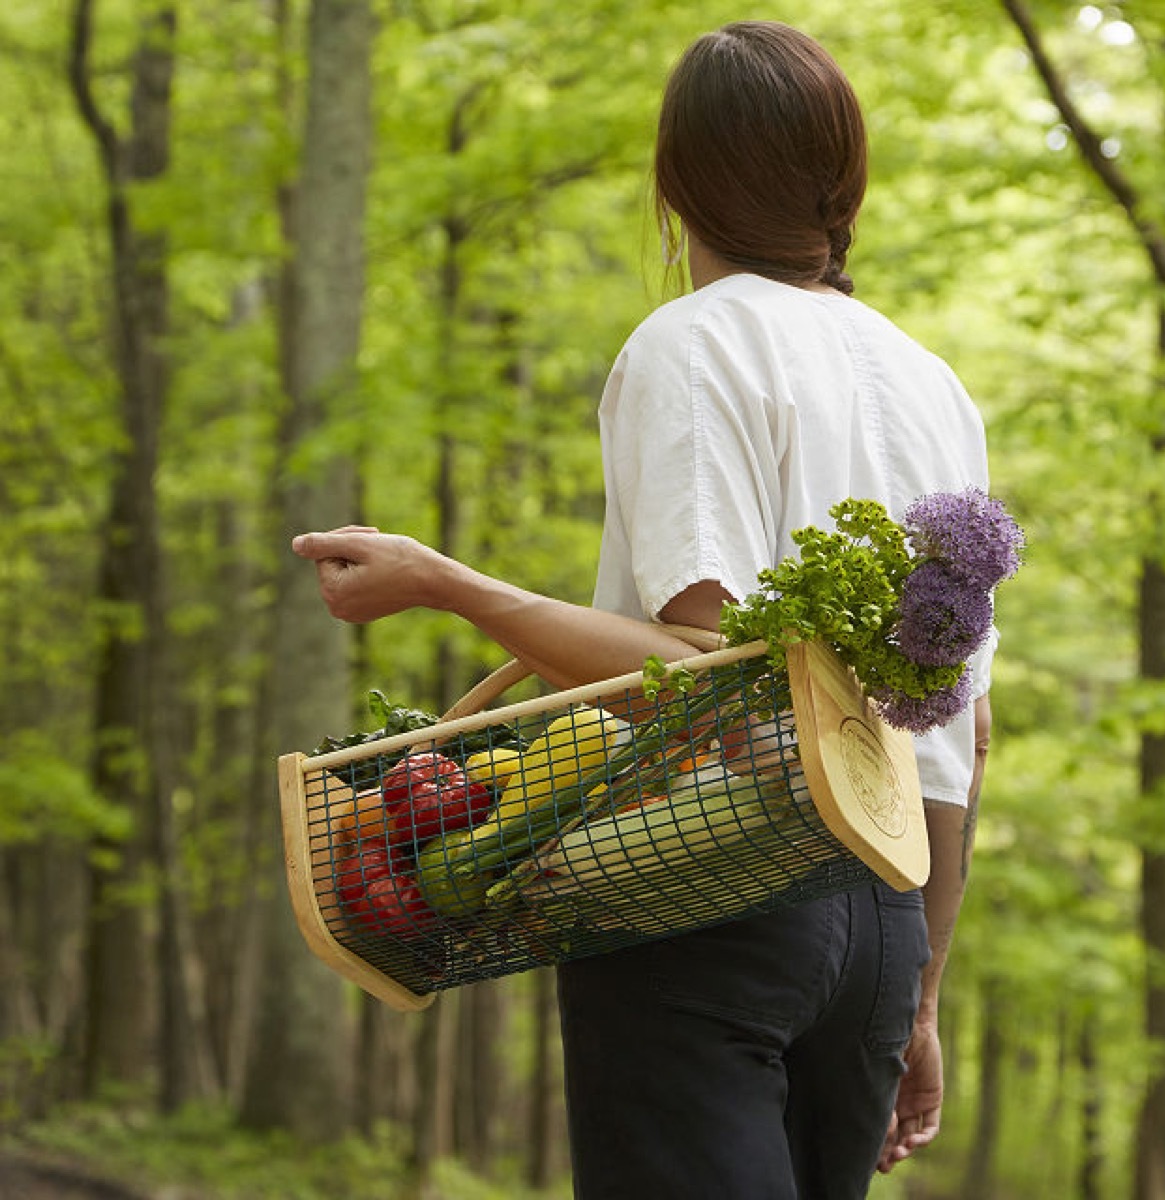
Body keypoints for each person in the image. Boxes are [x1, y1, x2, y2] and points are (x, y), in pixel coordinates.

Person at [293, 20, 994, 1199]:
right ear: (845, 182)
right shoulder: (935, 387)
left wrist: (448, 584)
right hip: (884, 914)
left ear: (673, 186)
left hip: (712, 883)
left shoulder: (691, 345)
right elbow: (962, 732)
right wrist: (919, 993)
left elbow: (709, 675)